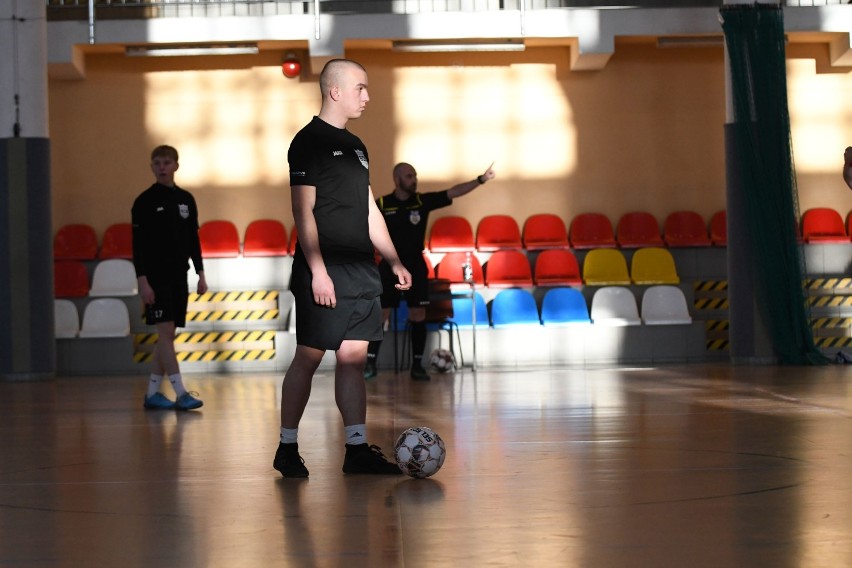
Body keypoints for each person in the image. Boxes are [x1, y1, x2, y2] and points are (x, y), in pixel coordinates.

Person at [273, 59, 412, 478]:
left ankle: (355, 451)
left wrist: (393, 259)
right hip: (325, 269)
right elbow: (303, 211)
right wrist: (317, 270)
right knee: (309, 358)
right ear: (335, 91)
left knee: (353, 359)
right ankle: (287, 447)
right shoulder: (307, 142)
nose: (367, 97)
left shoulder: (357, 147)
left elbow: (369, 210)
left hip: (360, 270)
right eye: (361, 88)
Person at [364, 162, 496, 380]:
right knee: (381, 315)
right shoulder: (381, 203)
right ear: (397, 180)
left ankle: (417, 366)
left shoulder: (421, 201)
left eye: (414, 175)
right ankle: (370, 364)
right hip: (389, 266)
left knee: (418, 314)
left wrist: (481, 179)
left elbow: (453, 191)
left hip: (415, 265)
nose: (414, 179)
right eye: (409, 176)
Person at [131, 145, 207, 411]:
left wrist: (200, 272)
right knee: (164, 334)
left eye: (167, 162)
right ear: (152, 167)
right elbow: (137, 245)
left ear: (176, 165)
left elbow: (193, 240)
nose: (162, 167)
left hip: (179, 277)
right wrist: (142, 279)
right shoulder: (143, 202)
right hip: (155, 278)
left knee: (167, 336)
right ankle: (180, 392)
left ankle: (152, 394)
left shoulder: (186, 199)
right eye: (157, 163)